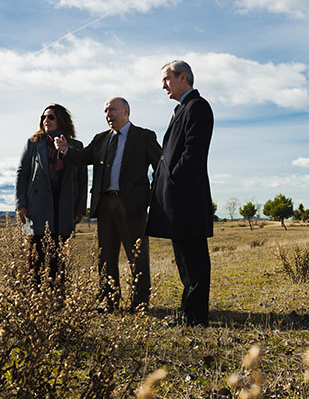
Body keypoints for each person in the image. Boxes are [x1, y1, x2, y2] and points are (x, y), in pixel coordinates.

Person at [55, 97, 161, 312]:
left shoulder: (144, 136)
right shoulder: (101, 138)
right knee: (105, 257)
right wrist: (66, 150)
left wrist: (149, 197)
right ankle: (108, 302)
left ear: (126, 111)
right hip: (106, 205)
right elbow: (82, 157)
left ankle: (140, 304)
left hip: (133, 206)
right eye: (105, 111)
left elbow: (160, 167)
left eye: (112, 109)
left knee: (137, 257)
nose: (108, 115)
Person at [146, 60, 214, 326]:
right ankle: (189, 313)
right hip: (177, 197)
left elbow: (193, 152)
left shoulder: (198, 107)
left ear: (183, 77)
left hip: (187, 197)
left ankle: (195, 317)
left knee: (194, 260)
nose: (163, 85)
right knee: (184, 261)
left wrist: (173, 177)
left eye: (166, 79)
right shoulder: (182, 109)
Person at [15, 103, 88, 282]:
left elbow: (82, 179)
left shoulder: (76, 145)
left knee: (59, 256)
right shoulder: (33, 143)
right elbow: (22, 173)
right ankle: (35, 296)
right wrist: (21, 204)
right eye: (43, 117)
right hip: (38, 205)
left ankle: (58, 297)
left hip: (64, 205)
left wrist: (80, 208)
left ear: (61, 120)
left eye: (51, 117)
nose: (45, 120)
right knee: (36, 255)